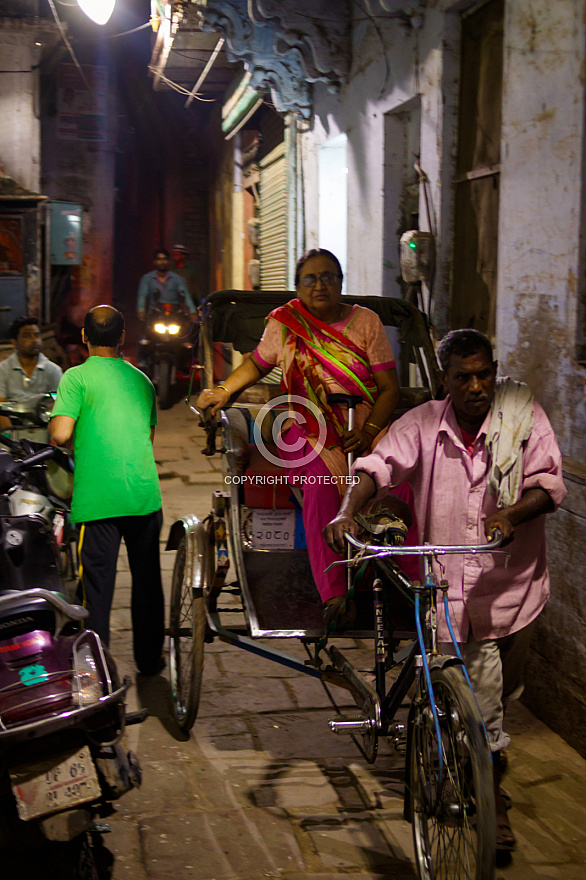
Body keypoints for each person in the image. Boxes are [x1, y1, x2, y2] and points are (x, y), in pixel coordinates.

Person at [324, 327, 566, 854]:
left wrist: (509, 514)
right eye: (463, 377)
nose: (476, 386)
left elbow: (547, 486)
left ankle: (472, 762)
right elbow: (376, 467)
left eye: (484, 374)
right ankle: (492, 803)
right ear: (445, 380)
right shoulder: (422, 424)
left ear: (493, 370)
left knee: (503, 695)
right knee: (484, 708)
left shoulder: (523, 415)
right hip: (449, 595)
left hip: (515, 592)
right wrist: (348, 511)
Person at [197, 248, 400, 625]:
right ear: (297, 287)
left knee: (400, 485)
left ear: (341, 283)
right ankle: (334, 594)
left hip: (367, 425)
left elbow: (390, 387)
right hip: (309, 427)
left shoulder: (366, 322)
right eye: (310, 278)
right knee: (321, 485)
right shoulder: (286, 324)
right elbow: (258, 364)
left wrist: (369, 431)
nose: (320, 285)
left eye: (328, 277)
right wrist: (224, 392)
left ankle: (407, 587)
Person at [49, 306, 165, 676]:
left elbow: (61, 434)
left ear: (84, 337)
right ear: (121, 338)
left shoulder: (75, 378)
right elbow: (147, 439)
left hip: (98, 500)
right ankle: (149, 661)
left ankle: (97, 672)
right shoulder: (142, 380)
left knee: (96, 589)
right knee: (147, 582)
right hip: (143, 497)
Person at [0, 316, 63, 430]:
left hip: (44, 429)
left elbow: (59, 405)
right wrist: (11, 436)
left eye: (37, 335)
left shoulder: (53, 370)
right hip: (12, 429)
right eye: (27, 336)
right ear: (14, 342)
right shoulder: (3, 369)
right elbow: (0, 408)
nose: (35, 340)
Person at [137, 248, 197, 323]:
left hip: (175, 313)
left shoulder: (177, 279)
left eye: (165, 259)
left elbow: (186, 295)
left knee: (185, 331)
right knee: (146, 332)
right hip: (155, 313)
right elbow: (142, 296)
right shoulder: (147, 278)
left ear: (168, 262)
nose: (162, 262)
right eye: (159, 259)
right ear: (154, 262)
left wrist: (192, 312)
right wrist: (141, 310)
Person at [171, 243, 202, 307]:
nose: (175, 257)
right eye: (173, 255)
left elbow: (196, 289)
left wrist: (199, 303)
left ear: (183, 256)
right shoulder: (171, 271)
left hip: (187, 304)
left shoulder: (190, 271)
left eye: (177, 254)